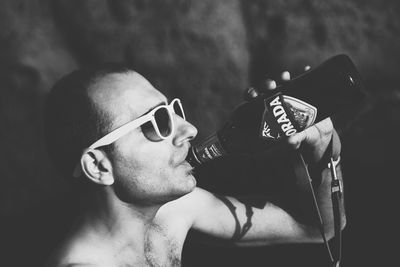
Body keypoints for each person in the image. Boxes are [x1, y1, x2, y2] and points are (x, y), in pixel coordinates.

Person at [44, 65, 345, 267]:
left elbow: (318, 229)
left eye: (173, 111)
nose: (189, 129)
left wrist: (319, 147)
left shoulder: (176, 211)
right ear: (99, 166)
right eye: (156, 122)